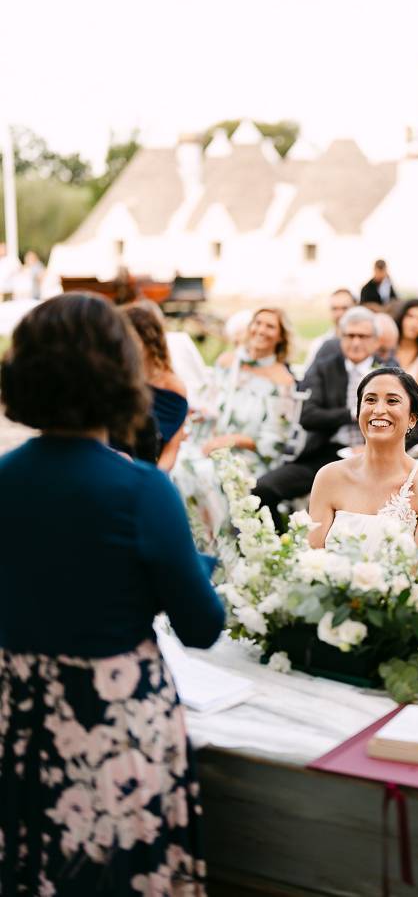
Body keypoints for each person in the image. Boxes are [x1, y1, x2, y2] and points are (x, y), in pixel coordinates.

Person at [0, 292, 225, 895]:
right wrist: (198, 568)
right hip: (112, 725)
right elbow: (202, 626)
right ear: (121, 374)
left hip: (20, 719)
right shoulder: (141, 489)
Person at [255, 306, 389, 529]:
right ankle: (280, 545)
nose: (356, 342)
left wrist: (376, 448)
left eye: (363, 336)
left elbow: (416, 429)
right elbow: (308, 415)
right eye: (350, 336)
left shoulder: (389, 372)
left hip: (376, 457)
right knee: (262, 490)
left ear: (376, 341)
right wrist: (352, 414)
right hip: (326, 454)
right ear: (340, 338)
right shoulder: (324, 368)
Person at [308, 367, 418, 551]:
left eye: (392, 401)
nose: (379, 410)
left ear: (412, 419)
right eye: (370, 400)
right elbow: (311, 555)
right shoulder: (329, 477)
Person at [202, 306, 295, 472]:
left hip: (249, 458)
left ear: (281, 337)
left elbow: (275, 440)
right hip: (208, 443)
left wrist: (231, 440)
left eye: (270, 326)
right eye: (257, 323)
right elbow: (207, 403)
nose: (261, 330)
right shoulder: (226, 362)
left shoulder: (283, 381)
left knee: (203, 472)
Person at [123, 301, 189, 471]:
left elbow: (171, 450)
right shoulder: (116, 380)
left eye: (130, 340)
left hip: (150, 473)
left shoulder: (172, 387)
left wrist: (151, 478)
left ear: (149, 340)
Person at [304, 288, 356, 368]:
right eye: (334, 309)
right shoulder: (319, 344)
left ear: (355, 308)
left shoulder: (368, 344)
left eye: (344, 308)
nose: (339, 314)